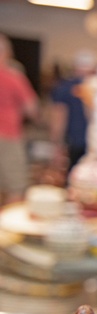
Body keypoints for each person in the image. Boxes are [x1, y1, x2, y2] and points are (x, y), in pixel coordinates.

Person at [0, 35, 38, 205]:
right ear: (7, 53)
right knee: (15, 189)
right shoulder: (13, 76)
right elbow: (31, 109)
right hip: (8, 135)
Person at [50, 49, 97, 176]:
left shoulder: (64, 88)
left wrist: (57, 145)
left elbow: (59, 119)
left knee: (73, 181)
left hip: (73, 142)